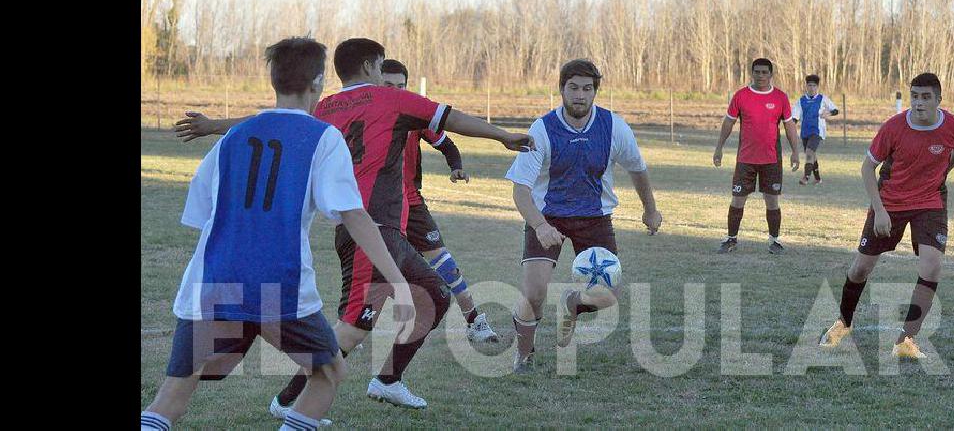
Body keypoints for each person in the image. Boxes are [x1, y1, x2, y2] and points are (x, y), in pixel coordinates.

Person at [172, 38, 532, 411]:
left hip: (375, 228)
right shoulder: (391, 99)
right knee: (355, 326)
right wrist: (503, 135)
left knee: (435, 295)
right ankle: (288, 402)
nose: (383, 75)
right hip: (367, 226)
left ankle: (388, 380)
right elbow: (452, 117)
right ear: (367, 67)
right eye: (380, 68)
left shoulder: (325, 106)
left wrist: (214, 125)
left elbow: (272, 122)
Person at [141, 37, 416, 431]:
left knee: (172, 392)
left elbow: (200, 214)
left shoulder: (232, 138)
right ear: (319, 82)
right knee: (328, 371)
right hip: (278, 285)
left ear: (273, 80)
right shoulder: (323, 138)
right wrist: (397, 280)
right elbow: (354, 216)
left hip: (212, 280)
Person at [504, 58, 662, 373]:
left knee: (608, 296)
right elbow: (521, 189)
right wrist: (539, 225)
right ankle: (524, 356)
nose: (580, 95)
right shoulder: (543, 129)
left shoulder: (613, 126)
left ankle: (572, 304)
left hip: (595, 218)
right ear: (562, 90)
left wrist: (650, 209)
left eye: (587, 89)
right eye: (573, 88)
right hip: (549, 217)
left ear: (595, 92)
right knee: (534, 292)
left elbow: (637, 168)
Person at [818, 72, 954, 359]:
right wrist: (880, 211)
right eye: (915, 96)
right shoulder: (894, 128)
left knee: (932, 267)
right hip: (890, 202)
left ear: (939, 100)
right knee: (861, 269)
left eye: (926, 97)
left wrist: (942, 174)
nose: (919, 103)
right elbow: (866, 168)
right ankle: (843, 323)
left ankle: (905, 340)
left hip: (930, 202)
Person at [379, 58, 500, 343]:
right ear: (376, 84)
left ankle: (475, 321)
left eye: (401, 86)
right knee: (376, 268)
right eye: (388, 86)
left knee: (445, 263)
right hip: (379, 204)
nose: (396, 92)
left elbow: (446, 143)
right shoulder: (365, 115)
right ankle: (354, 329)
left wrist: (455, 165)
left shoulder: (414, 112)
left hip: (411, 200)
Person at [712, 58, 801, 255]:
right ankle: (731, 239)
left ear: (771, 75)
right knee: (737, 200)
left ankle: (774, 241)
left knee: (772, 201)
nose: (760, 76)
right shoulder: (741, 96)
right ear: (752, 73)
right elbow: (728, 123)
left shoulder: (780, 98)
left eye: (764, 72)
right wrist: (719, 148)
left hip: (771, 160)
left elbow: (789, 126)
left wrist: (795, 152)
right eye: (757, 72)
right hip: (745, 159)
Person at [791, 74, 839, 185]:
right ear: (806, 86)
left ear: (817, 87)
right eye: (809, 85)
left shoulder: (823, 99)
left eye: (814, 86)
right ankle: (817, 178)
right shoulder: (801, 100)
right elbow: (795, 117)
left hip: (817, 132)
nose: (811, 88)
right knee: (812, 155)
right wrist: (791, 125)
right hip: (805, 132)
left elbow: (835, 110)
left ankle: (805, 177)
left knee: (809, 152)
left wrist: (829, 113)